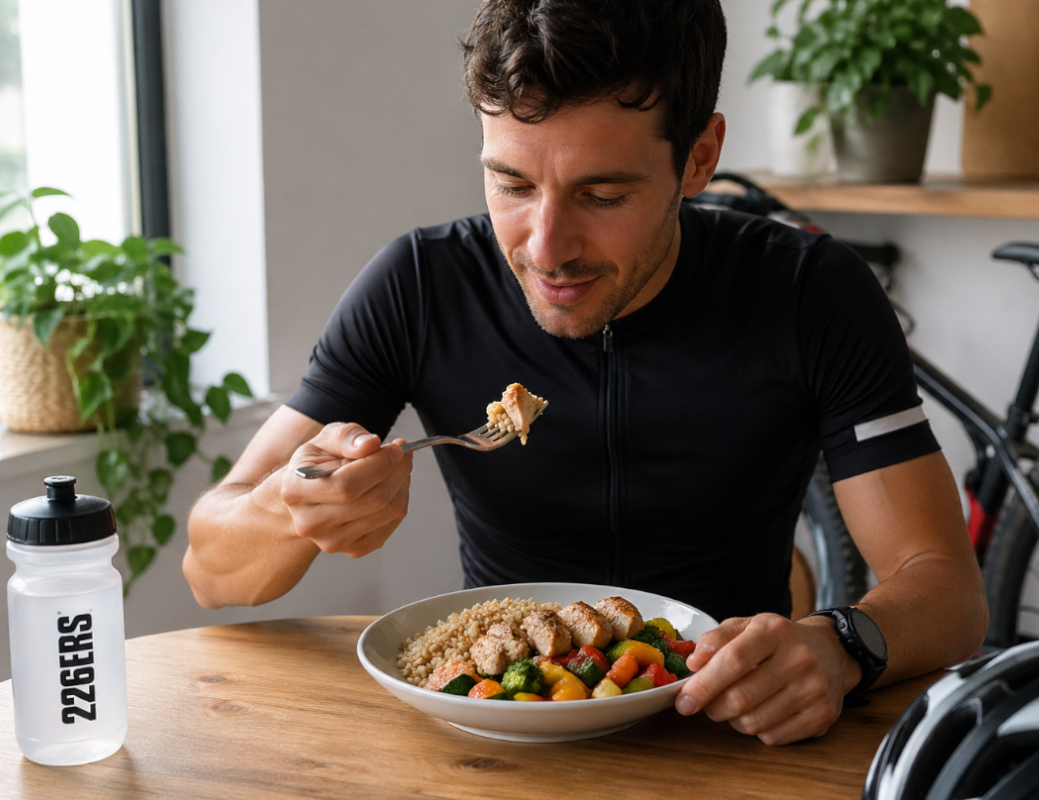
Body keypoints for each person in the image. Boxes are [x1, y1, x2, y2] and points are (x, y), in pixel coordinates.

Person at [184, 0, 987, 745]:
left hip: (730, 734)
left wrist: (841, 644)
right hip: (498, 728)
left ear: (699, 158)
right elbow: (212, 567)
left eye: (601, 193)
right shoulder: (421, 287)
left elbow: (947, 591)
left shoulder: (809, 293)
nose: (545, 247)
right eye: (512, 183)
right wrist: (297, 510)